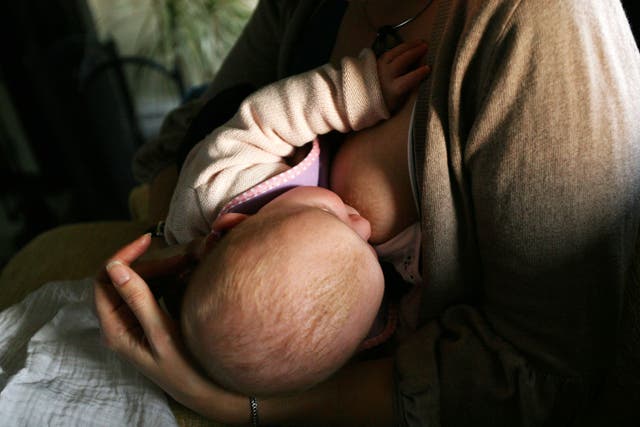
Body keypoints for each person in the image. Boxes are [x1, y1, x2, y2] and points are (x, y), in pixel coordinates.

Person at [95, 0, 640, 425]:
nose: (358, 223)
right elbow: (182, 143)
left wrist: (241, 404)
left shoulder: (537, 25)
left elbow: (538, 374)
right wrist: (193, 264)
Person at [159, 41, 428, 396]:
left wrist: (360, 90)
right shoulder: (351, 322)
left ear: (232, 224)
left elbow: (266, 118)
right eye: (368, 249)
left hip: (231, 136)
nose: (361, 223)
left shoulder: (216, 183)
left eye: (329, 214)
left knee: (216, 109)